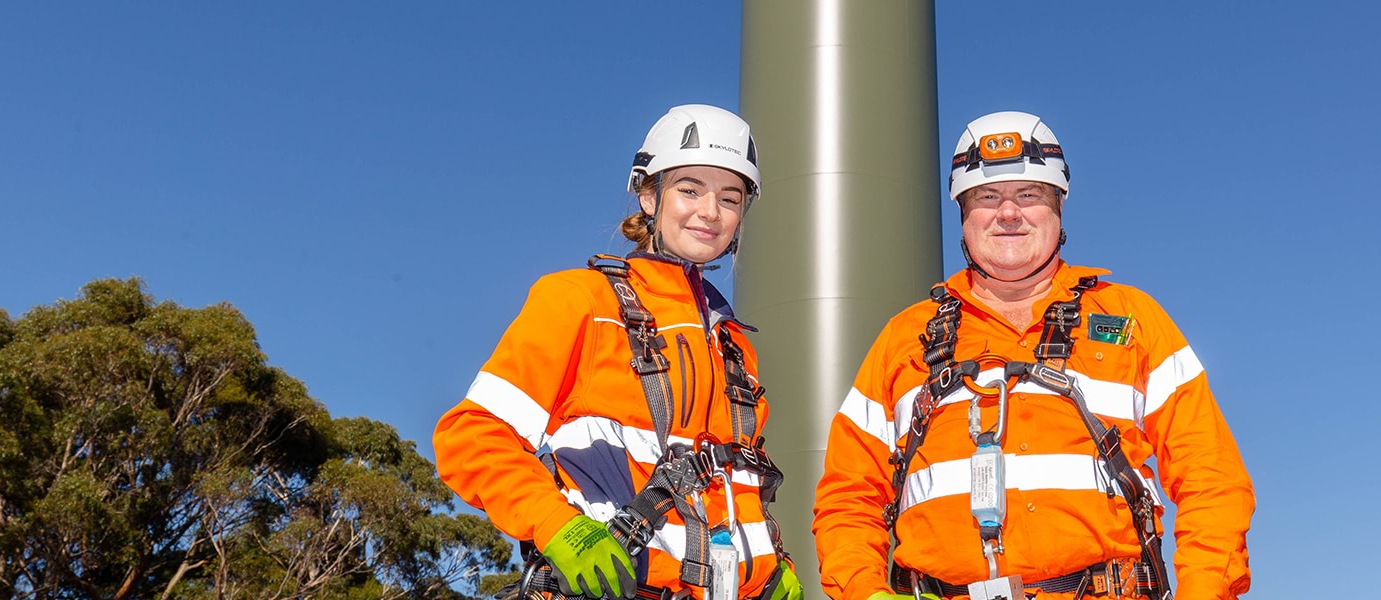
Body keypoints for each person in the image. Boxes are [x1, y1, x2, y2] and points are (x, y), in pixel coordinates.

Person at [811, 111, 1255, 600]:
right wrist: (865, 593)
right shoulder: (904, 339)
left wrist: (1205, 590)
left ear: (1058, 207)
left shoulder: (1133, 319)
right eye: (986, 196)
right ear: (962, 212)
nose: (1008, 213)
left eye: (1029, 194)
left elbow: (1210, 477)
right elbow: (848, 496)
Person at [435, 104, 802, 600]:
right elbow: (470, 436)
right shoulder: (581, 301)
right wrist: (555, 525)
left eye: (729, 197)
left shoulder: (732, 346)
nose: (710, 211)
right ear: (649, 195)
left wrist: (772, 567)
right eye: (690, 189)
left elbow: (728, 484)